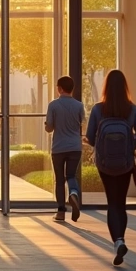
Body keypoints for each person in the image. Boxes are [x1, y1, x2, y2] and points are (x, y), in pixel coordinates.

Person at [86, 69, 136, 266]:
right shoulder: (133, 109)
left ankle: (118, 241)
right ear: (124, 87)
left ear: (106, 87)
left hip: (105, 164)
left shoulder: (98, 110)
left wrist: (102, 147)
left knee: (111, 201)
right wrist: (129, 146)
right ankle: (121, 238)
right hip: (125, 163)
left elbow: (90, 136)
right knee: (121, 202)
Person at [46, 76, 85, 223]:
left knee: (60, 180)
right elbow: (83, 124)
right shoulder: (79, 106)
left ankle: (61, 212)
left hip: (58, 147)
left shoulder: (53, 105)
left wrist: (47, 125)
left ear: (60, 88)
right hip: (75, 147)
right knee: (71, 176)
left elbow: (49, 128)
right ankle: (73, 193)